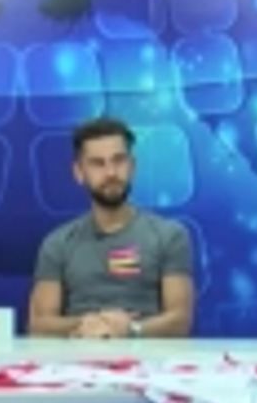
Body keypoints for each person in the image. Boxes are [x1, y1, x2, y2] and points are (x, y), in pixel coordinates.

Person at [28, 117, 194, 339]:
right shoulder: (57, 244)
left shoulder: (169, 236)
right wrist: (87, 324)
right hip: (77, 354)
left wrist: (130, 330)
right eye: (98, 163)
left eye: (119, 160)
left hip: (148, 357)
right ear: (79, 172)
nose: (111, 173)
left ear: (132, 166)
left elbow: (180, 321)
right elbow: (39, 325)